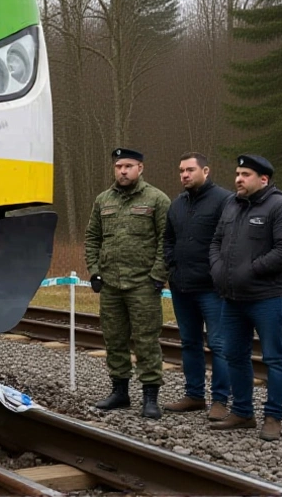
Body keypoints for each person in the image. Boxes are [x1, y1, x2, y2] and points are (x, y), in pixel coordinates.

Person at [207, 154, 282, 442]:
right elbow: (216, 242)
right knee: (234, 355)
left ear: (263, 179)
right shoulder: (231, 205)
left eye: (245, 174)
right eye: (237, 173)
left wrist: (252, 270)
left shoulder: (280, 207)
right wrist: (217, 267)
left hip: (266, 298)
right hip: (232, 299)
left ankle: (274, 417)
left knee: (273, 359)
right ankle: (243, 412)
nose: (238, 179)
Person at [84, 147, 171, 420]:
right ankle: (119, 392)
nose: (123, 171)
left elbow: (166, 241)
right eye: (119, 166)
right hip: (110, 283)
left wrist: (158, 275)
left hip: (143, 284)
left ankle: (150, 397)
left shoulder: (157, 199)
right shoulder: (103, 200)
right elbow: (92, 238)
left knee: (146, 341)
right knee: (114, 339)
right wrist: (95, 271)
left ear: (140, 168)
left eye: (128, 166)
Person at [161, 152, 234, 420]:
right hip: (181, 286)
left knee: (218, 343)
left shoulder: (224, 200)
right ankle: (194, 395)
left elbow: (230, 241)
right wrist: (171, 263)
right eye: (181, 170)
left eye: (190, 170)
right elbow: (168, 238)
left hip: (212, 289)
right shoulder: (177, 204)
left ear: (206, 171)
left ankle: (220, 400)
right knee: (189, 342)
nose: (184, 175)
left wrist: (217, 272)